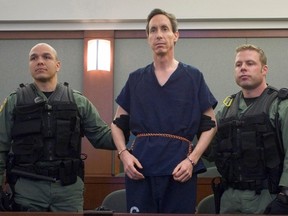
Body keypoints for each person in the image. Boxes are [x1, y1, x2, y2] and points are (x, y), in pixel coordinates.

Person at [111, 8, 217, 214]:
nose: (158, 34)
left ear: (175, 35)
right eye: (153, 30)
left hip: (180, 169)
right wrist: (124, 155)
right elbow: (116, 124)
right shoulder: (136, 79)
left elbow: (211, 125)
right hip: (140, 169)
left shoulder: (193, 77)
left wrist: (191, 160)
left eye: (164, 29)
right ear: (148, 37)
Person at [0, 43, 115, 212]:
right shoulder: (14, 101)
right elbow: (0, 146)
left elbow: (102, 137)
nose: (40, 61)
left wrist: (130, 129)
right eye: (34, 58)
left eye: (46, 57)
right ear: (29, 65)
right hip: (27, 189)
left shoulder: (78, 101)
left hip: (67, 190)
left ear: (58, 65)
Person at [207, 44, 288, 214]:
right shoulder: (226, 107)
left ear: (264, 69)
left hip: (268, 198)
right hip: (229, 199)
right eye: (238, 65)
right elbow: (209, 146)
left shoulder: (280, 105)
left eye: (250, 63)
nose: (243, 68)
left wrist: (285, 195)